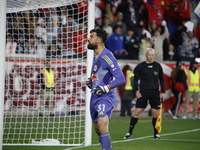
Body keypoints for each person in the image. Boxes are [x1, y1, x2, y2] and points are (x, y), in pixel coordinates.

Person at [86, 28, 125, 150]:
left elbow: (120, 78)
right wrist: (91, 81)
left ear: (99, 40)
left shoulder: (107, 56)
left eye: (91, 36)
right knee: (98, 128)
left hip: (105, 97)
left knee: (102, 124)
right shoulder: (95, 57)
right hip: (94, 97)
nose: (88, 38)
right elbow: (100, 75)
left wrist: (105, 88)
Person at [124, 48, 165, 140]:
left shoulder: (158, 66)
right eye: (149, 54)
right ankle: (129, 132)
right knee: (137, 112)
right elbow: (135, 80)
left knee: (155, 113)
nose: (150, 56)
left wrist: (163, 91)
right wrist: (136, 91)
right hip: (143, 92)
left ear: (154, 55)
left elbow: (162, 80)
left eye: (152, 55)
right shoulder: (140, 66)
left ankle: (156, 134)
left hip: (154, 92)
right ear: (146, 55)